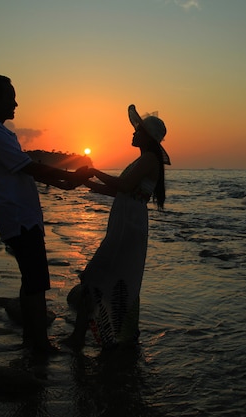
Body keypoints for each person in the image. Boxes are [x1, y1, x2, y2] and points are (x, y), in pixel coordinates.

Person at [0, 74, 90, 354]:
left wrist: (66, 182)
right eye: (10, 96)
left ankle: (31, 337)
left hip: (23, 216)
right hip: (19, 218)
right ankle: (40, 344)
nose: (16, 102)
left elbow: (29, 170)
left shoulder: (0, 133)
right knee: (37, 282)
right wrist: (68, 177)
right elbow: (31, 168)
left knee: (31, 280)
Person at [65, 104, 170, 351]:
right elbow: (118, 190)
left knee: (96, 275)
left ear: (147, 136)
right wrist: (88, 183)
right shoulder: (144, 159)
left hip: (129, 225)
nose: (133, 133)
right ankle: (110, 337)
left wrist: (92, 171)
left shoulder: (148, 159)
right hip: (128, 221)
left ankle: (81, 338)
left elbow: (122, 186)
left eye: (138, 130)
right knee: (115, 277)